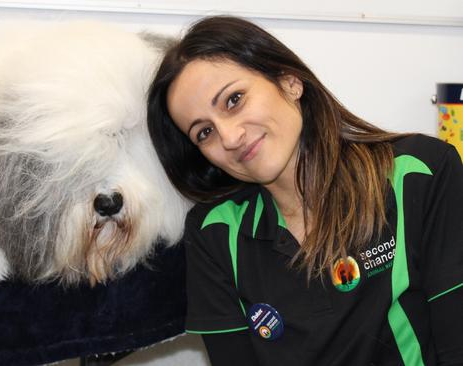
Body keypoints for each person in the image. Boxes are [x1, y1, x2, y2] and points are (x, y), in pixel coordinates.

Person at [147, 15, 463, 365]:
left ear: (289, 81)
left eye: (234, 100)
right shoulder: (214, 233)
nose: (230, 137)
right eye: (203, 132)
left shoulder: (420, 172)